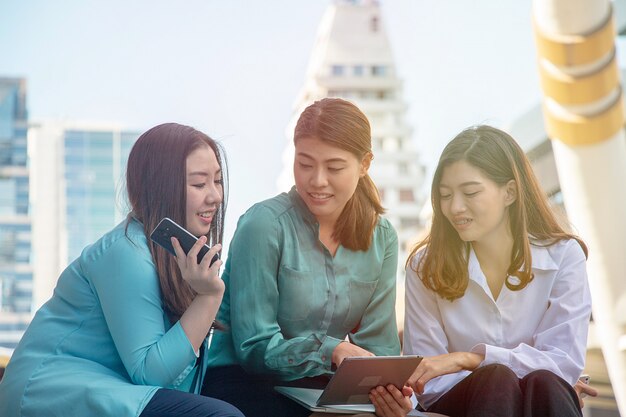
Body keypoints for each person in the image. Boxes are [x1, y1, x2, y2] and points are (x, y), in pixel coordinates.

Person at [0, 123, 244, 417]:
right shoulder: (126, 252)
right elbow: (151, 373)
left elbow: (179, 380)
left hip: (108, 389)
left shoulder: (176, 259)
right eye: (199, 184)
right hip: (50, 393)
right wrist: (209, 296)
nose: (215, 196)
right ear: (160, 187)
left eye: (217, 181)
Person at [369, 125, 592, 417]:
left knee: (546, 383)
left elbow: (563, 364)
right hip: (458, 405)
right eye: (445, 195)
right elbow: (429, 383)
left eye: (470, 192)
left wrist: (469, 359)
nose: (455, 207)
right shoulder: (424, 267)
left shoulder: (564, 256)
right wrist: (489, 370)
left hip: (542, 396)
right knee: (498, 379)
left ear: (510, 192)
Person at [202, 98, 401, 417]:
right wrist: (331, 350)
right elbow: (253, 348)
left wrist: (388, 392)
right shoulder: (263, 225)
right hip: (243, 382)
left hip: (319, 385)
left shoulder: (383, 238)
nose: (317, 180)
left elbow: (379, 349)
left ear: (364, 164)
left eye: (334, 167)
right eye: (305, 164)